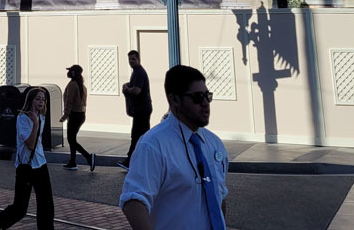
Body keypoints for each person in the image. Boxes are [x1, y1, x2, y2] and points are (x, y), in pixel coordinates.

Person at [120, 65, 229, 230]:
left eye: (208, 96)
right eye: (197, 97)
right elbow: (134, 202)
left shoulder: (215, 144)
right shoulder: (153, 145)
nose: (206, 103)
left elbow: (219, 199)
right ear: (174, 100)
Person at [0, 87, 55, 230]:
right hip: (26, 167)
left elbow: (38, 144)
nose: (41, 102)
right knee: (20, 207)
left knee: (46, 205)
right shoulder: (22, 118)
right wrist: (35, 124)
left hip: (41, 165)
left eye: (43, 99)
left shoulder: (42, 117)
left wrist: (38, 122)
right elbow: (30, 144)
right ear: (30, 100)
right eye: (37, 99)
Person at [117, 50, 152, 170]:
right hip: (140, 109)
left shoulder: (139, 73)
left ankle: (130, 160)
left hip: (142, 110)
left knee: (137, 136)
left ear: (138, 59)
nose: (131, 62)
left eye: (133, 59)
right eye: (129, 60)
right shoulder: (136, 73)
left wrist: (127, 88)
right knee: (140, 136)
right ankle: (139, 160)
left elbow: (137, 90)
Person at [59, 64, 96, 171]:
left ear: (74, 73)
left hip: (74, 115)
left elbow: (69, 101)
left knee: (71, 139)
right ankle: (72, 162)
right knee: (72, 139)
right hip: (81, 115)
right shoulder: (81, 85)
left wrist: (65, 115)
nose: (68, 72)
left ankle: (89, 157)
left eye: (70, 71)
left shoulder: (72, 85)